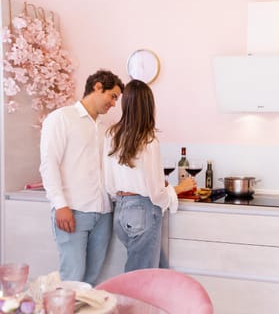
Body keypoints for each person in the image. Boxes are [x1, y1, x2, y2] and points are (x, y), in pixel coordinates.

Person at [39, 69, 125, 285]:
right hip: (73, 211)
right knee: (72, 278)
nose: (114, 103)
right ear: (97, 87)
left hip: (103, 213)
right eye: (112, 96)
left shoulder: (104, 130)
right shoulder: (61, 118)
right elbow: (49, 165)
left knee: (90, 281)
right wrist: (60, 205)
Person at [103, 79, 196, 272]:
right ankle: (133, 304)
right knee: (142, 279)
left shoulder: (112, 134)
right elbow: (156, 193)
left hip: (120, 211)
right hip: (143, 212)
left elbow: (109, 182)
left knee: (159, 271)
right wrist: (177, 189)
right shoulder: (148, 140)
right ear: (149, 106)